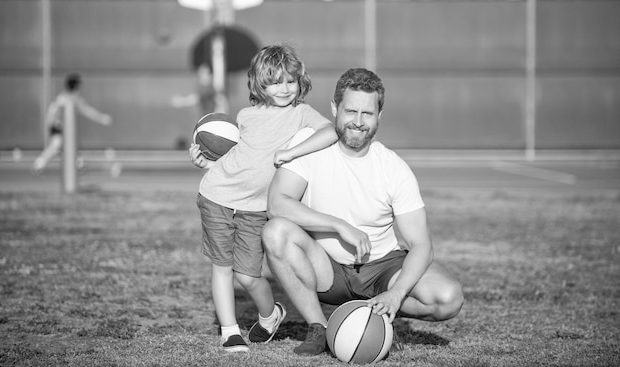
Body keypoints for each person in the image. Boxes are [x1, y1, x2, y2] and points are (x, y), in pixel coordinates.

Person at [262, 68, 465, 356]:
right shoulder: (308, 145)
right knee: (276, 231)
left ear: (379, 116)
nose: (357, 122)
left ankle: (378, 312)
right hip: (327, 267)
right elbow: (277, 204)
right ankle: (318, 327)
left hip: (382, 267)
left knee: (448, 298)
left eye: (367, 114)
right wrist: (337, 225)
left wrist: (395, 294)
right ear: (335, 108)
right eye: (350, 111)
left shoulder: (393, 168)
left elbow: (421, 244)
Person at [188, 44, 338, 352]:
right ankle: (230, 331)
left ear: (300, 81)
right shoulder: (245, 116)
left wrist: (292, 152)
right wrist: (209, 164)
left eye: (289, 80)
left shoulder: (301, 114)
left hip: (255, 209)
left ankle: (270, 316)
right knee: (222, 266)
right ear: (260, 83)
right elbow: (243, 159)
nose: (283, 88)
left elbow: (331, 131)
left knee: (248, 275)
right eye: (274, 81)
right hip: (216, 194)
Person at [33, 73, 112, 174]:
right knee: (56, 145)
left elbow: (86, 110)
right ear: (75, 86)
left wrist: (101, 117)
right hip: (58, 127)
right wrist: (101, 118)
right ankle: (39, 164)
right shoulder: (65, 98)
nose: (80, 88)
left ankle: (78, 164)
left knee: (68, 145)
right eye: (79, 85)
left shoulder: (71, 98)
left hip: (64, 127)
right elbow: (54, 112)